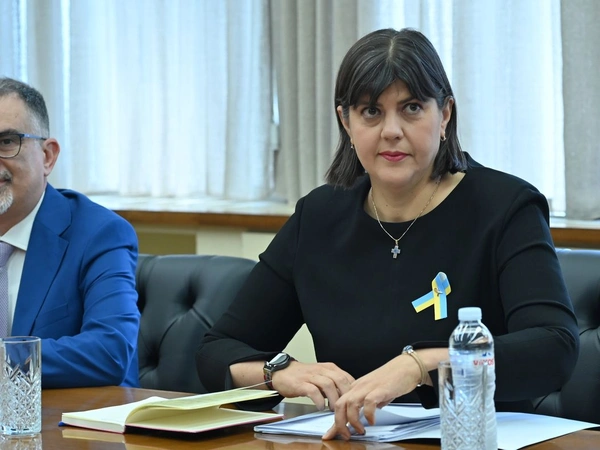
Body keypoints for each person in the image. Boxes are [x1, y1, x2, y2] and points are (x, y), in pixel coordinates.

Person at [195, 28, 579, 440]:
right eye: (371, 112)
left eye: (411, 108)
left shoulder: (505, 206)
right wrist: (279, 372)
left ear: (444, 115)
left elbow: (553, 348)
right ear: (346, 121)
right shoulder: (319, 216)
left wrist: (422, 366)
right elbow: (217, 349)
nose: (391, 130)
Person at [0, 77, 140, 388]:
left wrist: (4, 361)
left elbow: (110, 351)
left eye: (7, 142)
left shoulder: (100, 234)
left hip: (72, 416)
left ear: (47, 156)